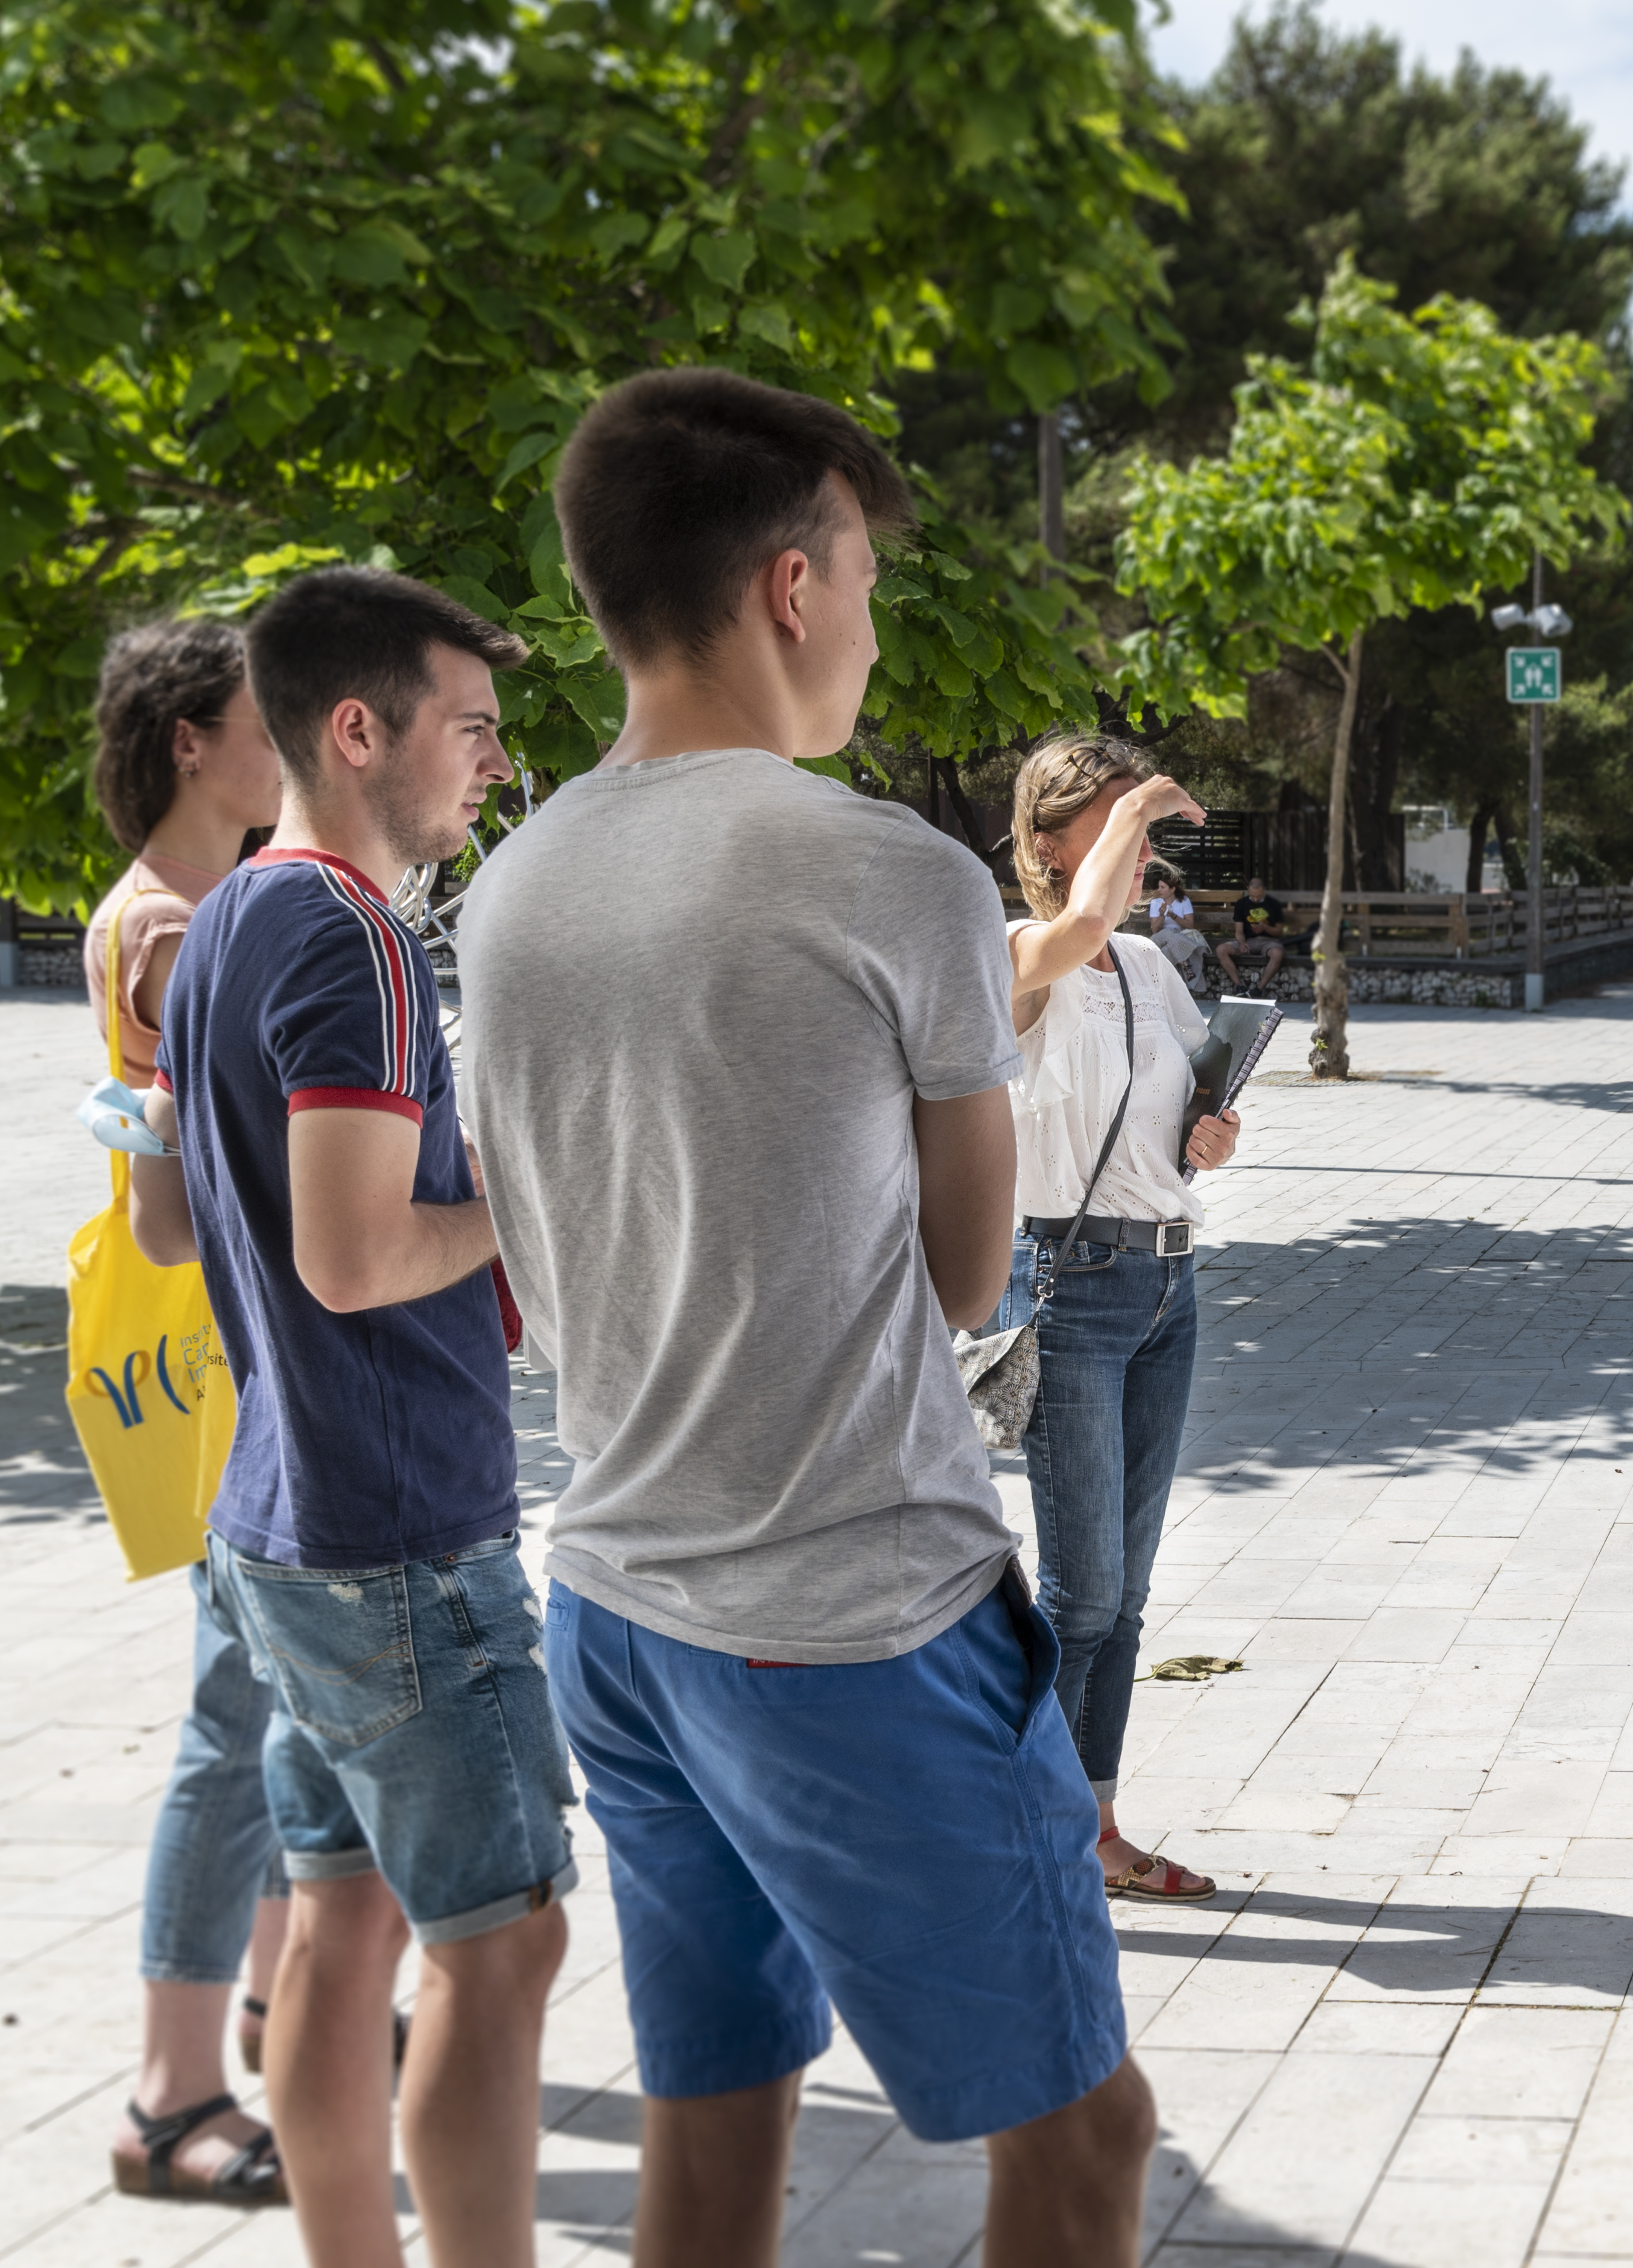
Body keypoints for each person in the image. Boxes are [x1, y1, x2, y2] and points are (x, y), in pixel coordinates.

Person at [454, 365, 1155, 2266]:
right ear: (787, 582)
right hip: (851, 1610)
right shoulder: (890, 875)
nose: (863, 619)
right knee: (1086, 2140)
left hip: (616, 1597)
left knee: (715, 2121)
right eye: (859, 576)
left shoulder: (512, 887)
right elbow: (959, 1277)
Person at [129, 566, 574, 2263]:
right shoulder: (355, 934)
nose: (490, 759)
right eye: (469, 727)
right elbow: (357, 1253)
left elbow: (186, 1216)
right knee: (500, 1951)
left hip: (283, 1515)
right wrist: (541, 1199)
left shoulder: (234, 907)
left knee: (339, 1931)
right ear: (359, 728)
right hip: (394, 1532)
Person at [81, 618, 294, 2208]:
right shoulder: (175, 929)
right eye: (261, 721)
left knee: (286, 1709)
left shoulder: (191, 907)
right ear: (189, 744)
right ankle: (169, 2097)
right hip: (236, 1366)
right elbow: (195, 1201)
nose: (285, 743)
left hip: (242, 1356)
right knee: (239, 1727)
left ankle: (285, 2018)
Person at [1002, 735, 1240, 1902]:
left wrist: (1211, 1136)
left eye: (1146, 836)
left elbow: (1186, 1107)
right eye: (1115, 832)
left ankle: (1093, 1827)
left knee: (1129, 1595)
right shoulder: (1019, 958)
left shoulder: (1151, 970)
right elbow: (1075, 935)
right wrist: (1146, 792)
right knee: (1080, 1590)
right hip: (1069, 1288)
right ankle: (1033, 1827)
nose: (1142, 856)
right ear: (1047, 846)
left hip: (1166, 1286)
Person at [1140, 862, 1214, 995]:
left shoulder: (1183, 901)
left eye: (1162, 887)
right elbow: (1155, 930)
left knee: (1168, 950)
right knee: (1170, 932)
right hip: (1159, 938)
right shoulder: (1156, 903)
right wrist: (1162, 915)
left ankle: (1163, 989)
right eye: (1159, 887)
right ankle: (1187, 967)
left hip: (1178, 939)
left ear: (1172, 889)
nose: (1159, 890)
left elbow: (1190, 925)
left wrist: (1173, 916)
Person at [1220, 874, 1289, 992]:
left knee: (1278, 953)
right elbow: (1239, 931)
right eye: (1252, 896)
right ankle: (1239, 986)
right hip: (1249, 942)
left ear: (1264, 890)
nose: (1256, 899)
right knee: (1221, 949)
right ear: (1248, 889)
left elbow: (1279, 932)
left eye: (1259, 896)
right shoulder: (1241, 904)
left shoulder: (1274, 904)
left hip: (1269, 942)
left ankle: (1259, 989)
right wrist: (1241, 943)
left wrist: (1265, 927)